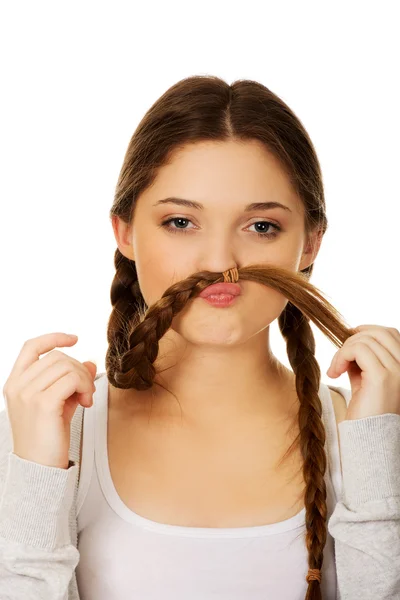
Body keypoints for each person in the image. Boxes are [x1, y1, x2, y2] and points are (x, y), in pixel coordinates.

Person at [1, 75, 399, 600]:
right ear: (124, 232)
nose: (218, 263)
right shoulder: (46, 434)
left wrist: (377, 441)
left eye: (260, 227)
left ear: (310, 243)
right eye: (181, 221)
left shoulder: (364, 437)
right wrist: (34, 472)